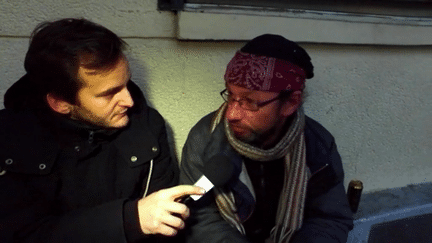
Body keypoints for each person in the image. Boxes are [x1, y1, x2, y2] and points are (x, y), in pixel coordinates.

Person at [0, 18, 204, 243]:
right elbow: (18, 234)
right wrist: (129, 220)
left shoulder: (145, 125)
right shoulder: (9, 138)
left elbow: (167, 227)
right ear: (60, 103)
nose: (128, 100)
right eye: (109, 93)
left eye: (127, 83)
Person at [179, 34, 354, 243]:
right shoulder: (204, 139)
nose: (231, 114)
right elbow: (198, 215)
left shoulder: (318, 146)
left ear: (290, 102)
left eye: (250, 102)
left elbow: (328, 219)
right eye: (231, 96)